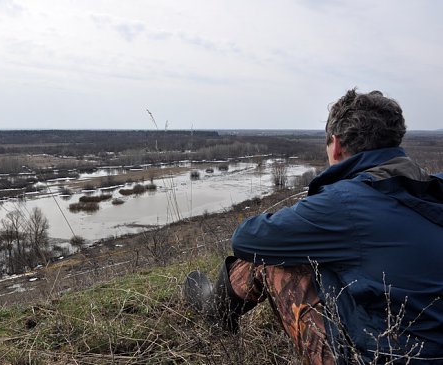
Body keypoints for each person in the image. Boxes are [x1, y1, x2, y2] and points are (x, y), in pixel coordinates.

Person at [185, 89, 443, 364]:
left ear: (336, 145)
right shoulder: (432, 188)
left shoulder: (345, 203)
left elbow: (246, 238)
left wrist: (306, 219)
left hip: (381, 358)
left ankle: (216, 309)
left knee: (269, 258)